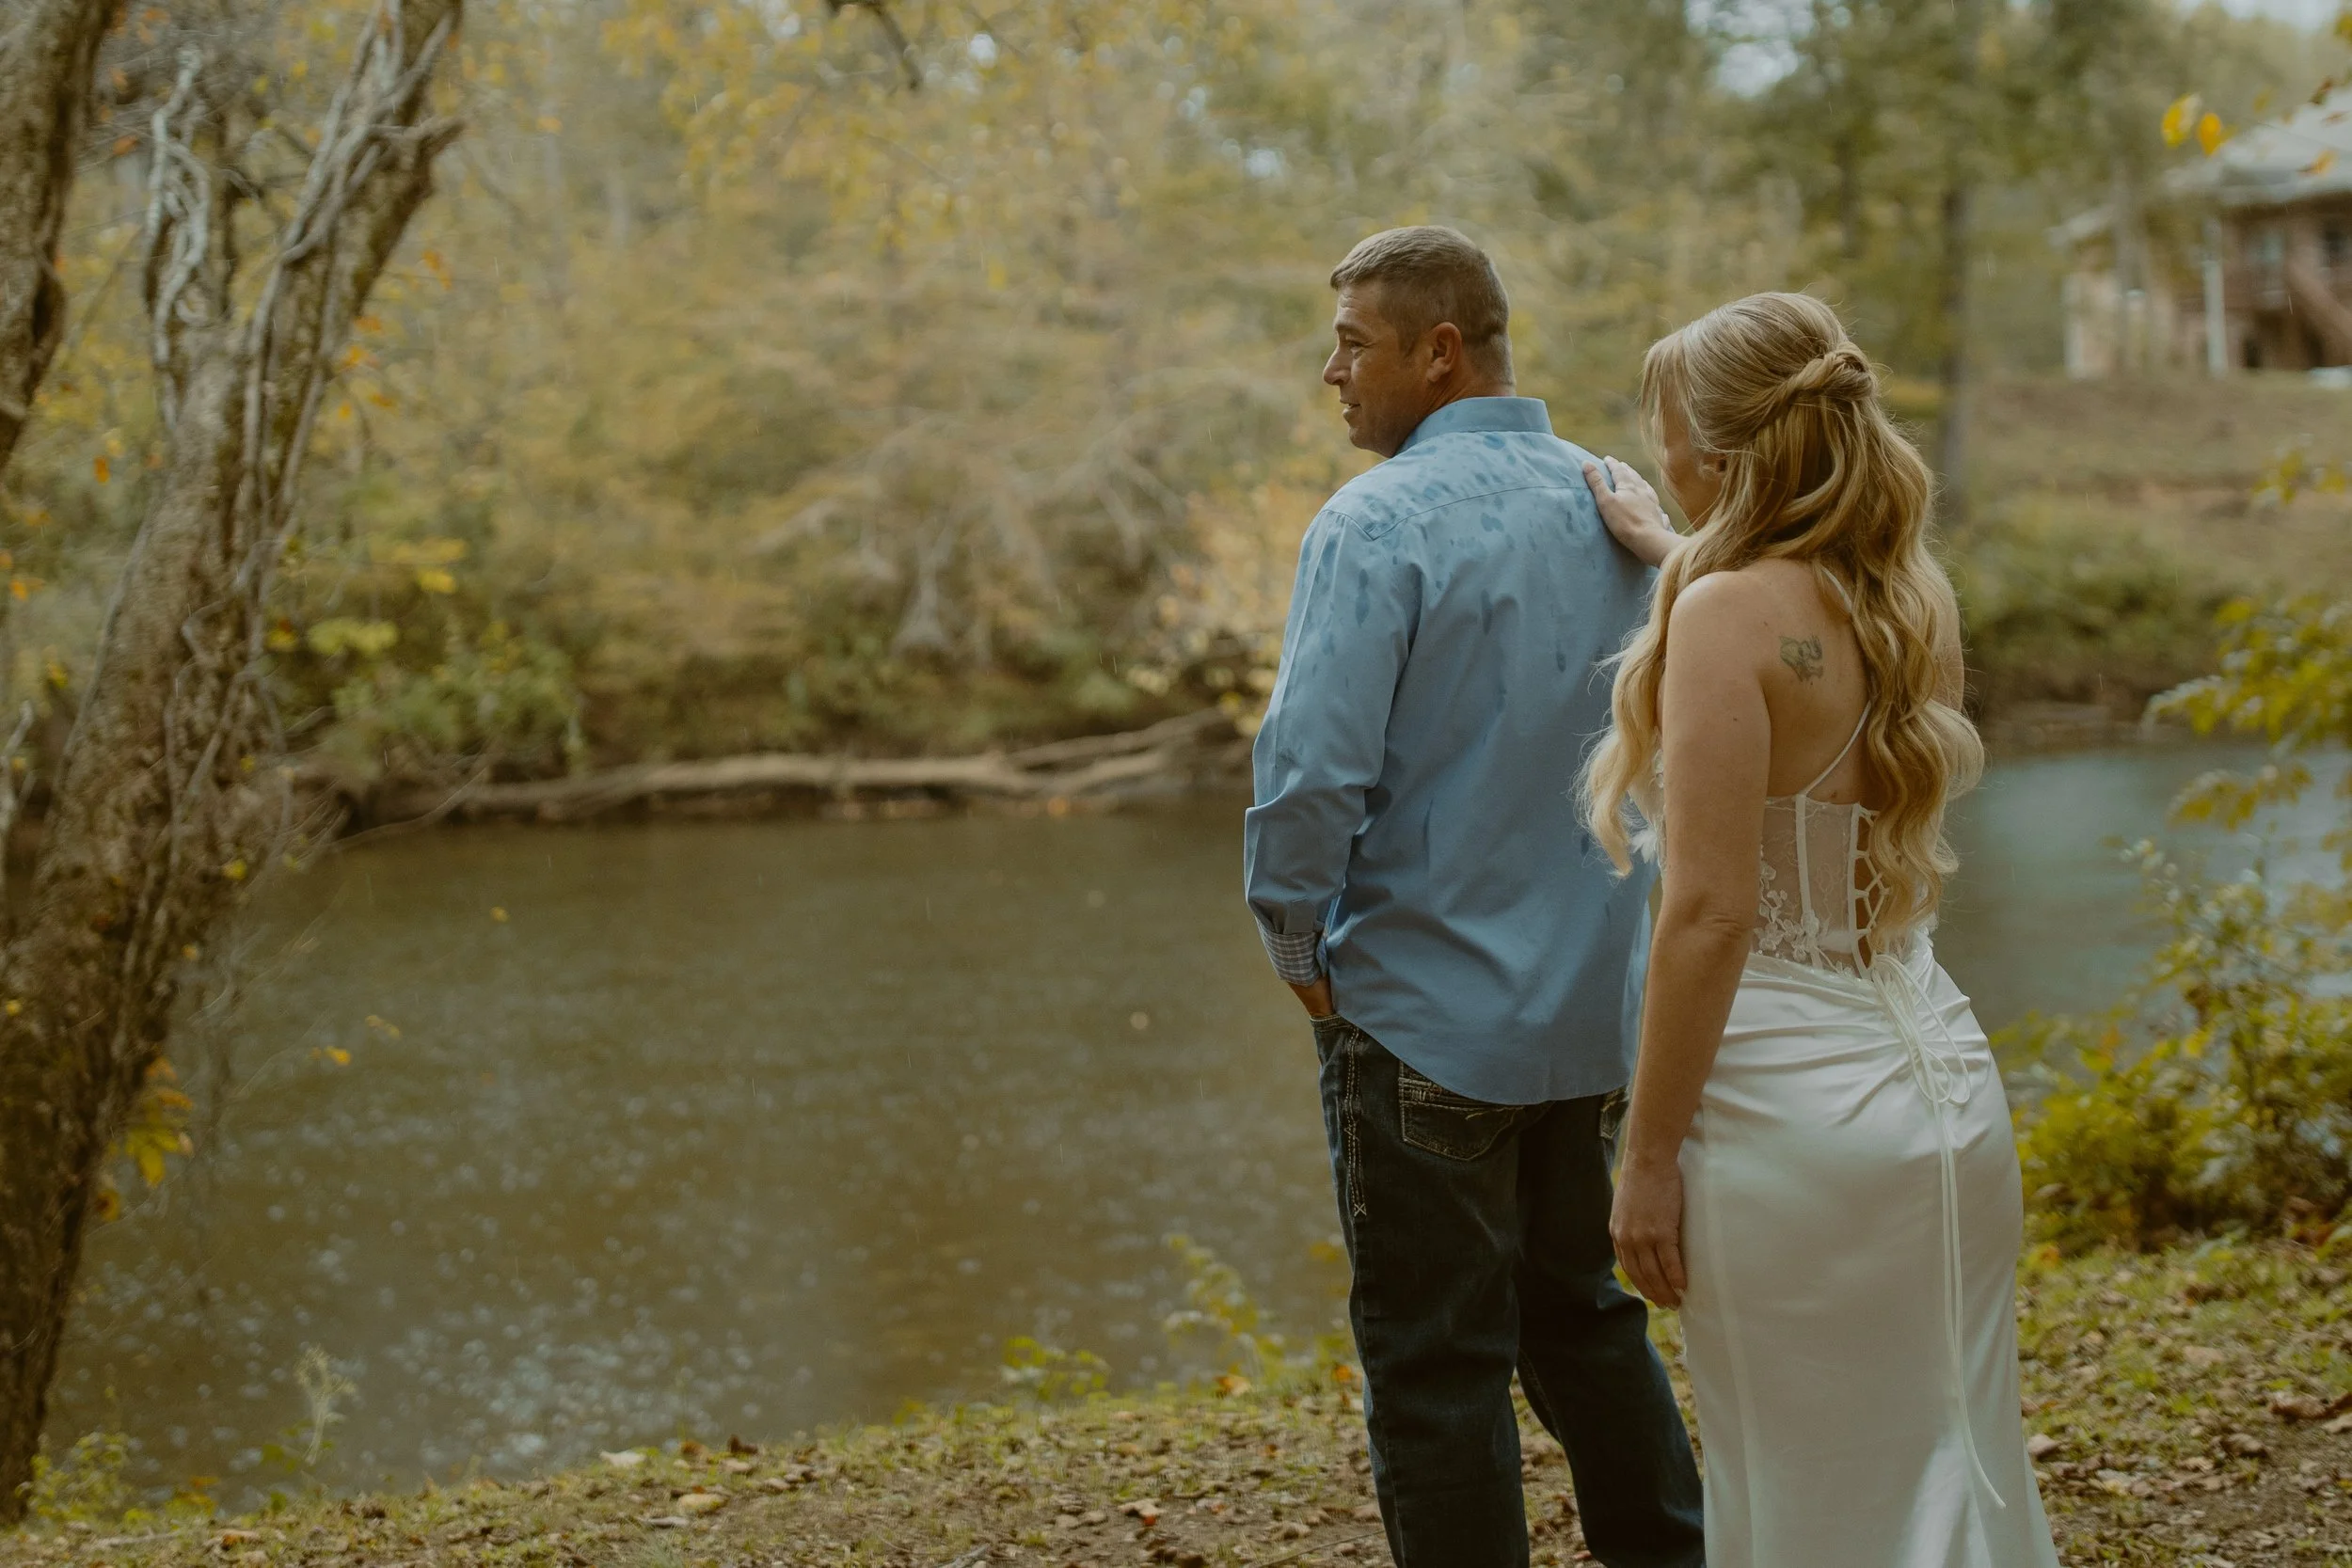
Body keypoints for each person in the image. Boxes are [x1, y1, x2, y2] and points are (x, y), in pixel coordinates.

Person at [1244, 225, 1707, 1568]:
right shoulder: (1612, 496)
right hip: (1592, 1018)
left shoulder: (1373, 521)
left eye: (1352, 344)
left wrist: (1295, 942)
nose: (1332, 373)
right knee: (1585, 1318)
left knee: (1438, 1367)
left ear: (1437, 350)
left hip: (1424, 1022)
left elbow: (1312, 775)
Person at [1578, 292, 2062, 1568]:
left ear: (1721, 452)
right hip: (1944, 1101)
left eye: (1667, 425)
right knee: (1943, 1450)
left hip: (1792, 1123)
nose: (1661, 449)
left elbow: (1710, 912)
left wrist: (1647, 1155)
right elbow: (1798, 653)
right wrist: (1675, 544)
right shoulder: (1909, 601)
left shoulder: (1727, 613)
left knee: (1800, 1490)